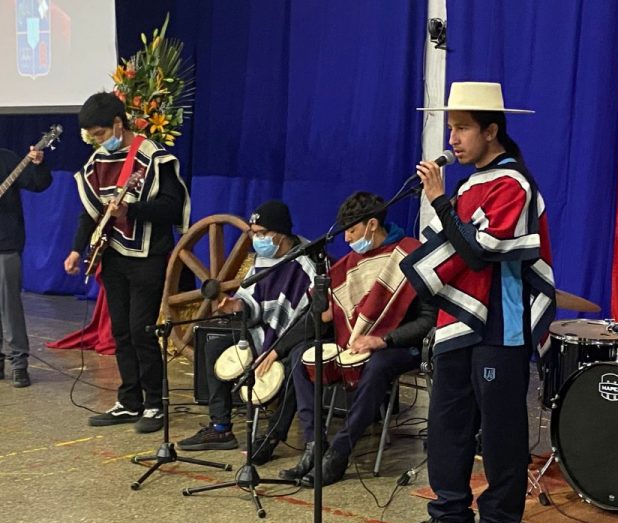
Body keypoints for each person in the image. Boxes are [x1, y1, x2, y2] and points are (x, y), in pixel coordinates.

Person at [397, 82, 556, 523]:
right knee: (448, 421)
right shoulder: (470, 184)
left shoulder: (514, 185)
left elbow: (476, 250)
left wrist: (441, 202)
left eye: (463, 128)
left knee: (500, 430)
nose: (454, 139)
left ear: (492, 130)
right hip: (458, 323)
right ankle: (450, 512)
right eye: (451, 128)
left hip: (499, 327)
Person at [278, 191, 435, 486]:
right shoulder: (349, 265)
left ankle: (339, 453)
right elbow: (321, 316)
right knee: (300, 355)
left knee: (376, 366)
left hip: (402, 346)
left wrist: (383, 339)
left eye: (352, 230)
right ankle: (315, 445)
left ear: (372, 225)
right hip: (354, 343)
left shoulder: (410, 254)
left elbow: (427, 320)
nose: (347, 238)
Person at [64, 92, 190, 434]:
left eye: (100, 134)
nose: (96, 142)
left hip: (149, 256)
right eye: (92, 136)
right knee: (120, 331)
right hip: (115, 256)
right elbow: (90, 214)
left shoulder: (152, 158)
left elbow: (170, 207)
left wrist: (131, 209)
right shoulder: (97, 163)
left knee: (141, 330)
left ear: (118, 123)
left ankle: (154, 403)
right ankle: (129, 400)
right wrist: (77, 251)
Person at [178, 200, 318, 451]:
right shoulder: (263, 259)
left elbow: (309, 316)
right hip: (260, 331)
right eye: (253, 233)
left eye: (261, 233)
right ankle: (220, 428)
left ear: (280, 234)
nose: (256, 239)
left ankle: (272, 435)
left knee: (293, 364)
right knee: (214, 346)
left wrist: (276, 347)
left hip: (293, 339)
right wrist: (236, 307)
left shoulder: (305, 263)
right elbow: (250, 299)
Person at [0, 143, 51, 387]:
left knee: (10, 306)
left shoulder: (7, 158)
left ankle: (19, 363)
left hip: (5, 244)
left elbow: (39, 184)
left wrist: (38, 164)